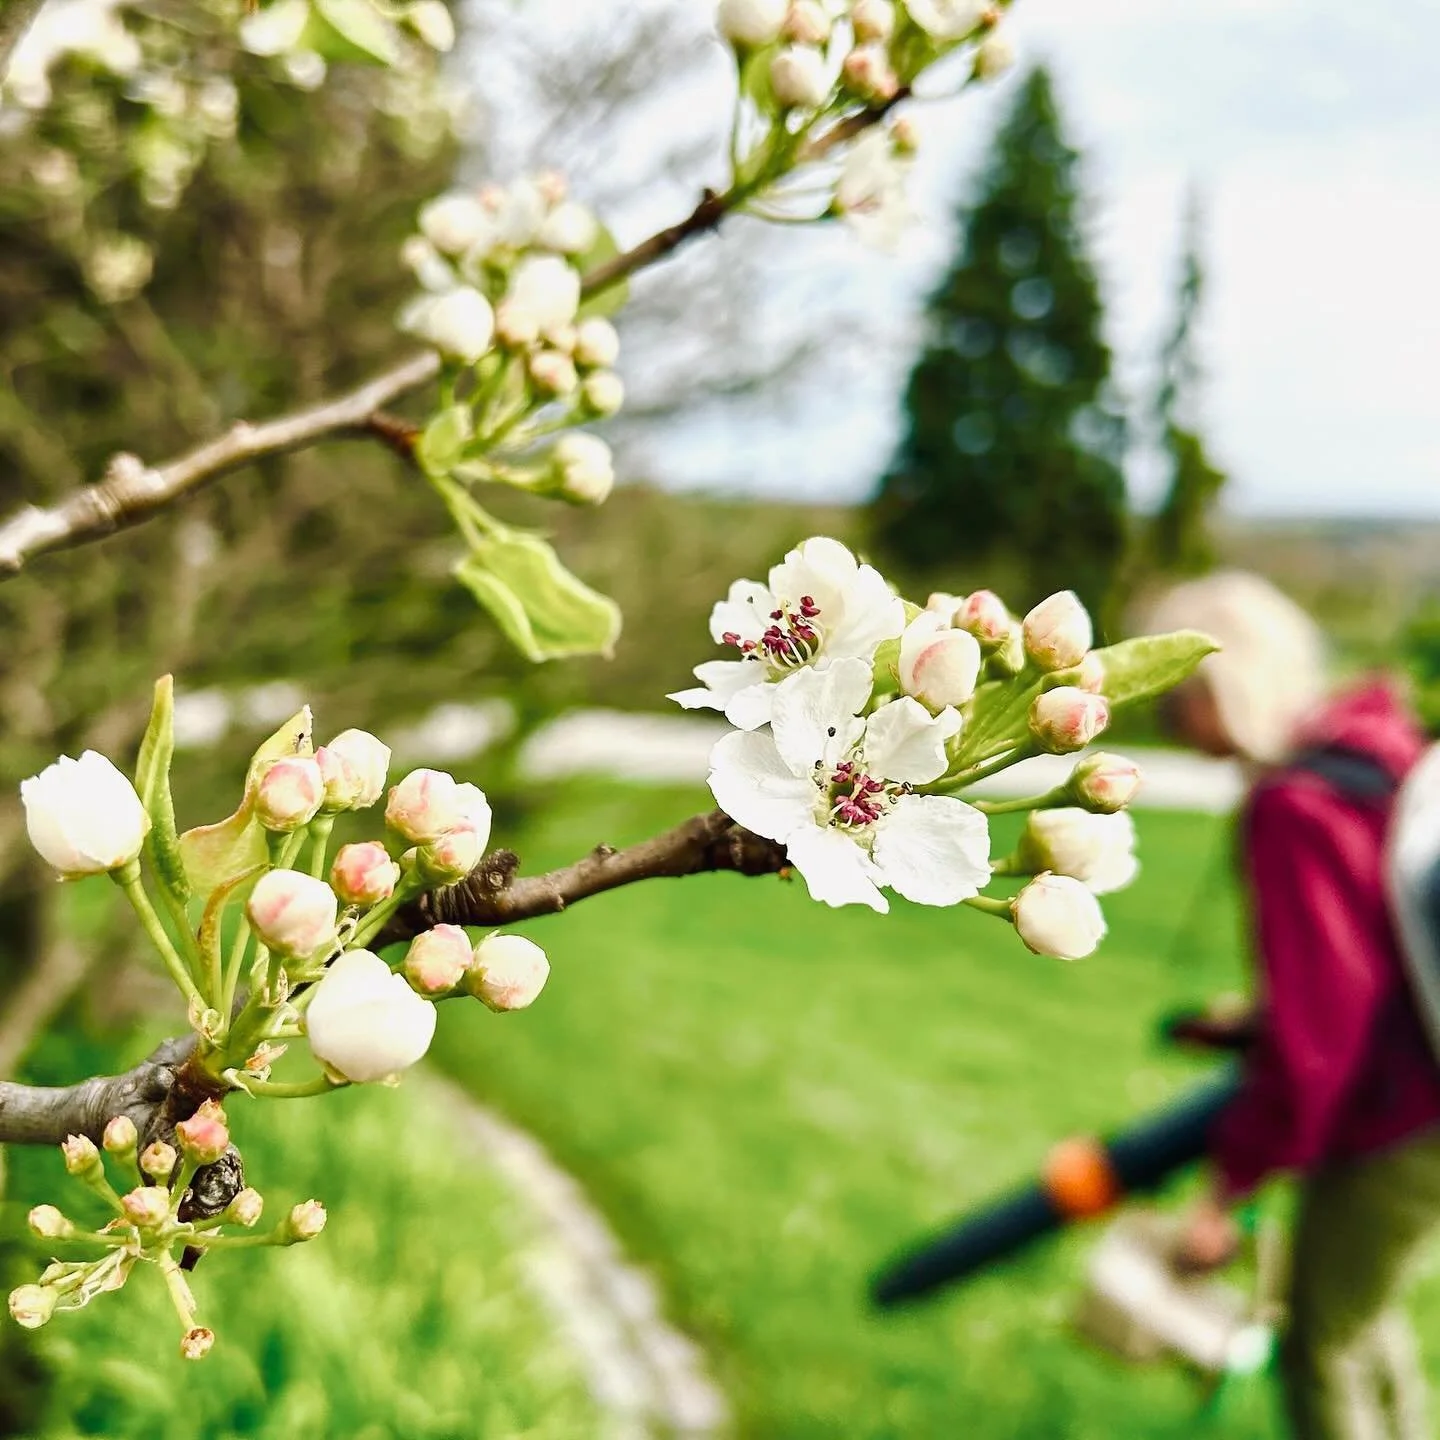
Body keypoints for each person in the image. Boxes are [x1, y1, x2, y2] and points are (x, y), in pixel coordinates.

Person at [1144, 570, 1440, 1440]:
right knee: (1362, 1324)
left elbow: (1326, 1037)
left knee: (1320, 1345)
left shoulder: (1295, 806)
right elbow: (1371, 964)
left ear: (1221, 690)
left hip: (1399, 1119)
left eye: (1173, 699)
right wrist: (1258, 1024)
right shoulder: (1377, 747)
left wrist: (1224, 1189)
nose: (1166, 722)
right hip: (1422, 1085)